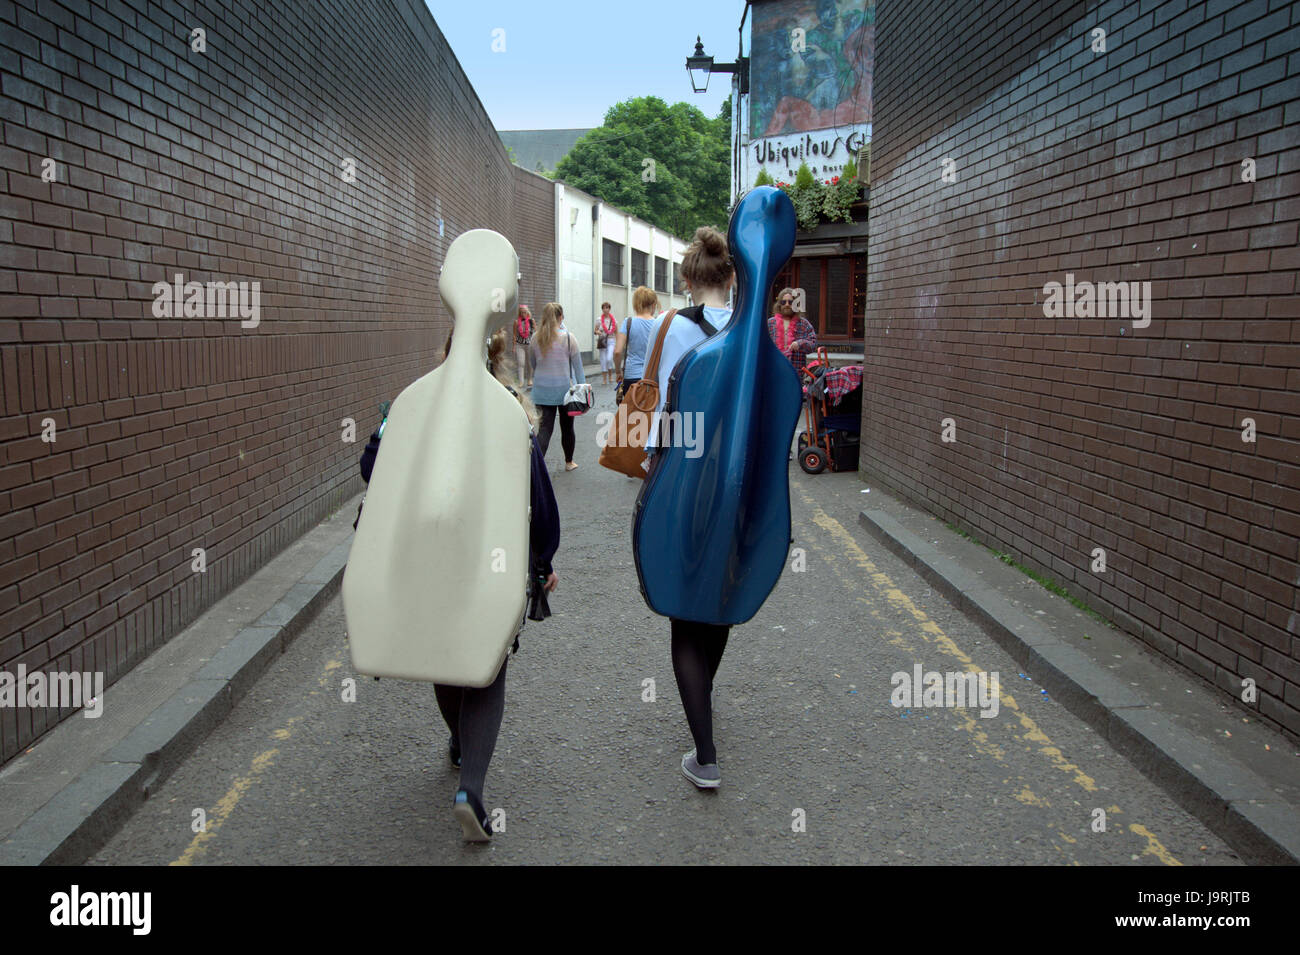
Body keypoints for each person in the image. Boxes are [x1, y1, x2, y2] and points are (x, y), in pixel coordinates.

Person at [358, 327, 560, 842]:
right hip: (487, 561)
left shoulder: (413, 404)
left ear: (445, 353)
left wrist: (387, 428)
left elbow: (370, 468)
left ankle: (458, 739)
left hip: (421, 558)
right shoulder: (508, 412)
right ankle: (471, 786)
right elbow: (539, 497)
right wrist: (543, 560)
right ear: (495, 359)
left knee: (444, 656)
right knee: (486, 669)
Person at [641, 226, 736, 791]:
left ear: (687, 279)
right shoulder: (752, 330)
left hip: (681, 478)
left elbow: (648, 398)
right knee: (720, 603)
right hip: (735, 482)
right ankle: (702, 696)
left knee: (682, 610)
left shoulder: (671, 325)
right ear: (729, 276)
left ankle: (706, 754)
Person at [529, 302, 585, 471]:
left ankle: (535, 467)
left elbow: (533, 364)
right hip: (565, 392)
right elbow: (578, 368)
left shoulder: (535, 338)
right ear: (561, 317)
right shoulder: (569, 338)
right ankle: (569, 462)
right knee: (567, 428)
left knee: (545, 430)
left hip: (541, 390)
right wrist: (582, 388)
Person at [614, 286, 659, 404]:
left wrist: (618, 372)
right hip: (652, 378)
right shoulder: (658, 324)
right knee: (649, 418)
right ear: (653, 304)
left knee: (630, 416)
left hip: (631, 376)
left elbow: (617, 351)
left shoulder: (628, 323)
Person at [768, 288, 817, 371]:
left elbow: (813, 344)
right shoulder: (770, 323)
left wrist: (800, 343)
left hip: (796, 373)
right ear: (779, 305)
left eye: (790, 302)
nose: (787, 305)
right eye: (784, 302)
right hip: (774, 371)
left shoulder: (804, 323)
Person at [595, 302, 618, 385]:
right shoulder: (599, 319)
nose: (605, 309)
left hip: (611, 341)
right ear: (602, 309)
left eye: (607, 308)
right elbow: (595, 330)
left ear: (609, 309)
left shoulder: (613, 320)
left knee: (609, 358)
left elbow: (616, 332)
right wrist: (599, 332)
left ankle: (610, 376)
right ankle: (604, 379)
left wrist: (618, 344)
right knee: (603, 360)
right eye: (604, 308)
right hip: (602, 341)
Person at [514, 305, 534, 388]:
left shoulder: (531, 321)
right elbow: (514, 335)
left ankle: (529, 379)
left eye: (525, 312)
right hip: (520, 344)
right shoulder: (516, 322)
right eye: (521, 312)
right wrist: (514, 346)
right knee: (521, 363)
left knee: (529, 363)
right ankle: (521, 381)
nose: (523, 314)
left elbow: (535, 333)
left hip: (529, 344)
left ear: (528, 312)